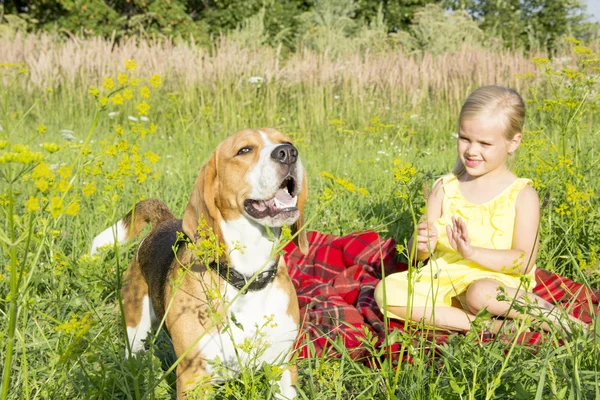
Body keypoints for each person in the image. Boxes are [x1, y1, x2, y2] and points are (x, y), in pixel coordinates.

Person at [375, 85, 582, 333]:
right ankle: (492, 328)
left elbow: (523, 263)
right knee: (386, 291)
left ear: (513, 142)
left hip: (496, 284)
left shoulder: (522, 195)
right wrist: (420, 246)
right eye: (465, 139)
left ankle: (567, 324)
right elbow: (415, 257)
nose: (472, 151)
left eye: (484, 143)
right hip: (443, 282)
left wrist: (471, 252)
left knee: (480, 294)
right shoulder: (444, 188)